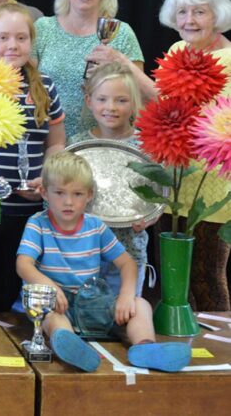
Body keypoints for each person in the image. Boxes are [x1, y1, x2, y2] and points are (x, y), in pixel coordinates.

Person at [16, 152, 191, 373]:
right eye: (59, 193)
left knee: (141, 305)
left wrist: (127, 296)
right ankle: (70, 345)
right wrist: (49, 287)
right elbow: (23, 264)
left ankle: (146, 347)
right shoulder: (37, 224)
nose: (68, 202)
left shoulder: (96, 226)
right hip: (58, 304)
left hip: (93, 303)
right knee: (52, 317)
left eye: (77, 194)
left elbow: (127, 263)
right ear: (44, 192)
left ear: (89, 195)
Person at [0, 3, 66, 312]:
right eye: (3, 37)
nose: (13, 45)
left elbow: (56, 144)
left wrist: (46, 179)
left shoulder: (45, 86)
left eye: (22, 38)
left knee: (12, 293)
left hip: (27, 211)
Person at [156, 0, 231, 311]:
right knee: (175, 279)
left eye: (199, 12)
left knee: (207, 275)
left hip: (215, 184)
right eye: (182, 12)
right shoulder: (176, 51)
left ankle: (220, 355)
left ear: (217, 15)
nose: (189, 20)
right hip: (176, 178)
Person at [34, 0, 150, 139]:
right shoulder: (42, 29)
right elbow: (27, 84)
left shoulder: (121, 33)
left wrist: (119, 61)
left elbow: (141, 99)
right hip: (47, 141)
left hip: (102, 143)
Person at [69, 62, 150, 296]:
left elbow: (157, 196)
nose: (110, 107)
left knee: (124, 320)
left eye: (121, 100)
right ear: (89, 101)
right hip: (82, 254)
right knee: (83, 319)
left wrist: (149, 218)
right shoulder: (77, 145)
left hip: (129, 252)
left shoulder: (145, 147)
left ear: (134, 103)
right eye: (102, 99)